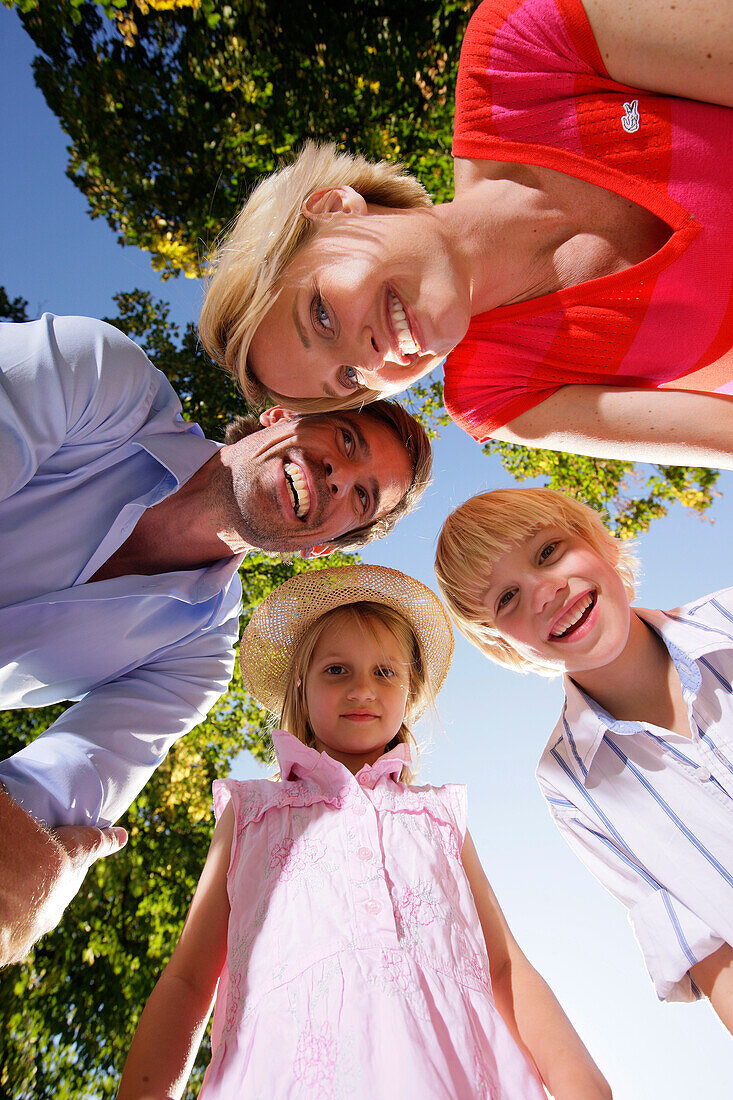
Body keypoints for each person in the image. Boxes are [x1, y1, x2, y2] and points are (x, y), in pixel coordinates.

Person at [0, 313, 431, 967]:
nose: (337, 476)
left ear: (314, 548)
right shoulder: (98, 375)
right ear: (280, 414)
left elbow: (36, 836)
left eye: (360, 496)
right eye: (344, 439)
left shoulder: (195, 662)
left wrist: (29, 875)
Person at [118, 563, 611, 1099]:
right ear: (300, 687)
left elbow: (503, 966)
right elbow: (189, 980)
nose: (361, 689)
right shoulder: (252, 812)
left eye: (384, 673)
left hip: (453, 1075)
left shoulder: (437, 818)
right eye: (336, 670)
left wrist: (579, 1083)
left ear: (409, 692)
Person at [199, 0, 733, 469]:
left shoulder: (516, 54)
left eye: (320, 314)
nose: (367, 361)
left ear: (336, 208)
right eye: (348, 380)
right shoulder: (497, 394)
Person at [434, 487, 733, 1033]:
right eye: (506, 599)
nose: (544, 592)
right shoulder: (569, 787)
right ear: (505, 647)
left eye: (548, 552)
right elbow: (712, 956)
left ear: (601, 543)